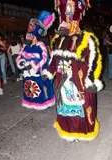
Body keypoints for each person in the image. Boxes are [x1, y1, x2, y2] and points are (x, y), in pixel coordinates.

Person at [42, 0, 103, 142]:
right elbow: (53, 60)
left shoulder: (87, 39)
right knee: (65, 108)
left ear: (75, 22)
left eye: (67, 21)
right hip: (62, 82)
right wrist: (49, 72)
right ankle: (68, 131)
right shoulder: (57, 40)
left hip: (80, 82)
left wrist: (91, 80)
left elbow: (93, 61)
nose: (63, 23)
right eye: (62, 20)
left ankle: (82, 132)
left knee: (81, 108)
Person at [16, 11, 55, 110]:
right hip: (27, 72)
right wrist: (22, 63)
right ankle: (32, 102)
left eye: (31, 36)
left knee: (41, 88)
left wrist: (34, 65)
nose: (28, 37)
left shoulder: (41, 45)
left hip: (38, 72)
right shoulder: (25, 45)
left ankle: (43, 103)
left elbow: (44, 58)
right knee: (29, 88)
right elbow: (19, 56)